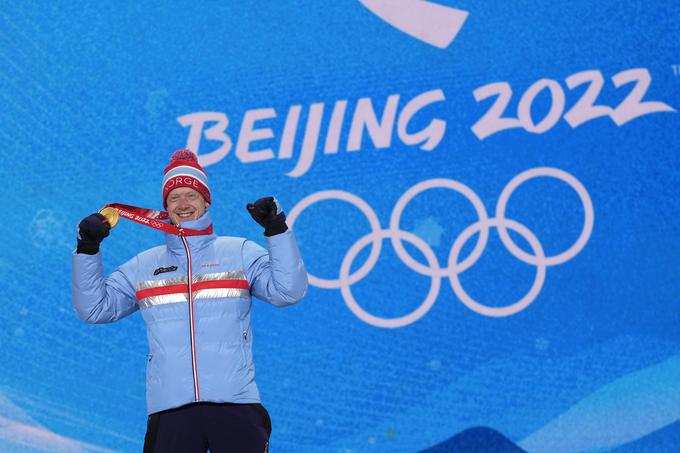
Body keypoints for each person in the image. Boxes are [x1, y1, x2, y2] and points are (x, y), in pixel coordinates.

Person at [71, 149, 308, 453]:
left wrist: (276, 230)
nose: (183, 205)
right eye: (174, 198)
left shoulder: (240, 252)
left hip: (236, 404)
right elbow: (94, 308)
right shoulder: (144, 265)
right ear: (164, 207)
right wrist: (88, 249)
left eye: (191, 196)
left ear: (206, 201)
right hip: (171, 411)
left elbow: (289, 291)